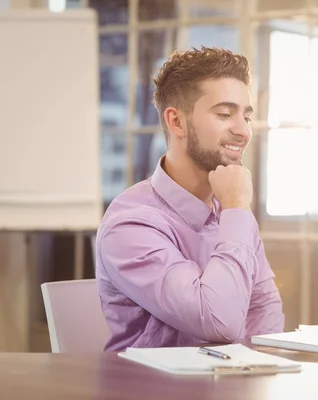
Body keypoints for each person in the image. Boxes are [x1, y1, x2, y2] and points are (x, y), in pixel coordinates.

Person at [95, 46, 284, 351]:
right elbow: (219, 322)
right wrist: (236, 209)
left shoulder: (231, 210)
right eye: (224, 114)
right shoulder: (130, 225)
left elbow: (264, 309)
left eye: (246, 117)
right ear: (177, 122)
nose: (242, 131)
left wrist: (252, 373)